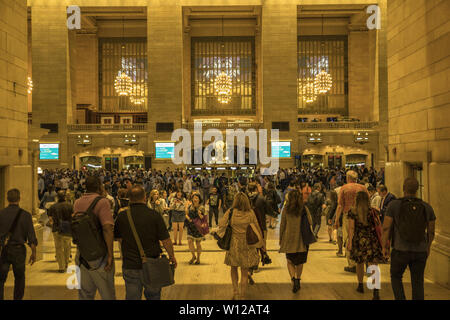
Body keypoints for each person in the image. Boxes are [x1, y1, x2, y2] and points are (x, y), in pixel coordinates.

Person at [114, 186, 177, 300]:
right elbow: (166, 240)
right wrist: (172, 256)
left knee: (132, 297)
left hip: (131, 264)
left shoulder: (122, 216)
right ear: (144, 197)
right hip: (152, 263)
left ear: (130, 199)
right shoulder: (154, 215)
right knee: (153, 296)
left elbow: (119, 239)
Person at [382, 177, 436, 300]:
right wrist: (428, 247)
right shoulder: (427, 207)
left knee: (396, 277)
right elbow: (431, 231)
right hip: (420, 250)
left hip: (400, 249)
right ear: (417, 190)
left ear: (403, 188)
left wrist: (384, 246)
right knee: (417, 282)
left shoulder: (394, 205)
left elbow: (386, 228)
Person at [73, 176, 116, 300]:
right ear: (99, 186)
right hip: (99, 256)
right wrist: (110, 255)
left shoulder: (77, 202)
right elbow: (107, 228)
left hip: (82, 255)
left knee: (85, 294)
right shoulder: (102, 202)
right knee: (107, 294)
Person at [216, 192, 262, 300]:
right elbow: (257, 227)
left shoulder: (231, 212)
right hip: (247, 244)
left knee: (233, 268)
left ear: (235, 201)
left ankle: (235, 291)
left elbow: (221, 224)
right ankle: (243, 295)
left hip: (234, 244)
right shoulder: (250, 213)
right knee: (245, 272)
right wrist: (262, 243)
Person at [0, 189, 37, 300]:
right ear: (19, 199)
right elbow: (31, 237)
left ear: (7, 199)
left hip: (5, 249)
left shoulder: (1, 214)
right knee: (19, 278)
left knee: (1, 278)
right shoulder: (26, 215)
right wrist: (33, 253)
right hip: (19, 250)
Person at [347, 191, 385, 300]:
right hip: (372, 240)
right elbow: (378, 226)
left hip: (359, 240)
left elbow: (351, 228)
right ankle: (375, 291)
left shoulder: (353, 211)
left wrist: (349, 242)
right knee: (373, 265)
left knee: (360, 263)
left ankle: (360, 285)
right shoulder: (372, 211)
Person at [334, 170, 369, 273]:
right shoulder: (363, 188)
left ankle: (352, 264)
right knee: (362, 237)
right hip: (362, 214)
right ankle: (365, 262)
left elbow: (340, 205)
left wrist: (336, 220)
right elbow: (368, 202)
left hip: (348, 216)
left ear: (347, 178)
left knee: (349, 238)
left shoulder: (344, 188)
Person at [279, 189, 313, 293]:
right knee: (300, 262)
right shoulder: (303, 209)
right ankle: (298, 279)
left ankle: (293, 279)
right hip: (301, 239)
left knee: (290, 261)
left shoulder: (286, 209)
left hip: (289, 238)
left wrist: (281, 238)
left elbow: (282, 225)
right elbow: (310, 221)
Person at [47, 190, 73, 273]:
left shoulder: (53, 207)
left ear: (57, 197)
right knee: (67, 246)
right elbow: (73, 217)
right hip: (67, 229)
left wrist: (52, 225)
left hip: (56, 229)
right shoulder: (70, 206)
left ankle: (61, 267)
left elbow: (50, 219)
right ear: (65, 197)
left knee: (58, 248)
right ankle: (66, 263)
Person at [185, 193, 206, 265]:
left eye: (197, 198)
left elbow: (203, 218)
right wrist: (188, 218)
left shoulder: (202, 207)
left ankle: (198, 258)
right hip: (191, 226)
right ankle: (193, 256)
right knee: (190, 241)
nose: (195, 199)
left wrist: (200, 214)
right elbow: (186, 214)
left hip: (198, 227)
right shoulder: (190, 206)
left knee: (198, 243)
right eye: (194, 198)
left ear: (199, 199)